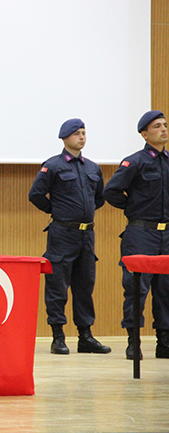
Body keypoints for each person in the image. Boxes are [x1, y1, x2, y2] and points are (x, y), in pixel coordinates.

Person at [29, 118, 111, 355]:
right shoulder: (53, 166)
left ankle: (85, 336)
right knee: (57, 286)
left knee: (85, 286)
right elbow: (35, 194)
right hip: (62, 234)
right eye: (77, 134)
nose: (81, 137)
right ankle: (58, 336)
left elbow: (99, 197)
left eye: (84, 133)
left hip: (87, 235)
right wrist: (56, 211)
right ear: (65, 138)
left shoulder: (92, 168)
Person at [104, 110, 169, 360]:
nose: (163, 129)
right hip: (141, 233)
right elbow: (111, 191)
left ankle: (164, 341)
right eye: (157, 126)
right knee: (136, 289)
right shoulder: (135, 162)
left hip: (166, 234)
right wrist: (133, 208)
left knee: (165, 290)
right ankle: (134, 342)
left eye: (165, 125)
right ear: (144, 134)